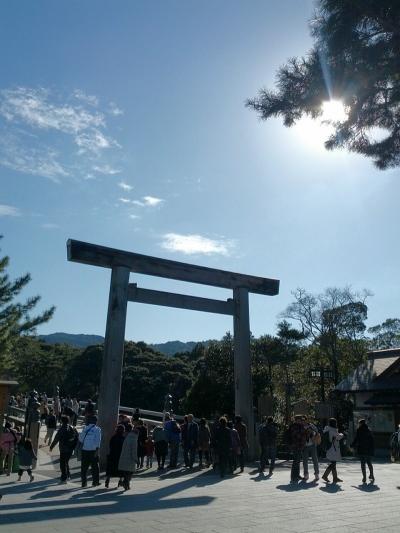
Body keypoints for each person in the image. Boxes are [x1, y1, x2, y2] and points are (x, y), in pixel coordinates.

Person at [50, 415, 78, 483]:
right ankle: (68, 475)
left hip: (63, 448)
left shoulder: (62, 429)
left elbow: (56, 439)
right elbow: (77, 436)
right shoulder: (72, 428)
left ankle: (64, 478)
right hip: (71, 448)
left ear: (62, 421)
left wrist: (51, 446)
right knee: (66, 462)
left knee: (63, 464)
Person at [79, 415, 101, 488]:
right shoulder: (97, 429)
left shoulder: (85, 428)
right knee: (95, 468)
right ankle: (95, 482)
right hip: (93, 451)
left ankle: (84, 483)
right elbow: (98, 441)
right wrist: (97, 451)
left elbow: (81, 439)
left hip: (85, 450)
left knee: (84, 468)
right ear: (96, 421)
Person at [351, 419, 375, 483]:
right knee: (369, 462)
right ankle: (371, 475)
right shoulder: (369, 430)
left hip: (361, 449)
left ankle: (364, 477)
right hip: (369, 449)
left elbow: (356, 439)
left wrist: (352, 445)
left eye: (359, 423)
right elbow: (372, 440)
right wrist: (372, 449)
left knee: (363, 464)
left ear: (361, 424)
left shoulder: (359, 430)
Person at [321, 417, 344, 483]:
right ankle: (326, 476)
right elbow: (338, 437)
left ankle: (335, 477)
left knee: (333, 464)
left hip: (330, 449)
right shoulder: (332, 430)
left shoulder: (328, 429)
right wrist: (341, 434)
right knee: (333, 464)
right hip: (333, 449)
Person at [118, 423, 138, 491]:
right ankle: (125, 484)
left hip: (124, 457)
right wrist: (136, 459)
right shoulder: (134, 439)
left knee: (126, 473)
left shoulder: (127, 437)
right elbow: (134, 451)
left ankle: (126, 485)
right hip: (130, 459)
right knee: (130, 473)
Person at [288, 415, 307, 483]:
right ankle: (293, 476)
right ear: (296, 420)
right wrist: (303, 433)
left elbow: (304, 434)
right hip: (295, 446)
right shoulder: (294, 426)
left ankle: (297, 475)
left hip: (300, 446)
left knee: (298, 461)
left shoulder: (301, 426)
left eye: (301, 419)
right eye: (300, 419)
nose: (301, 420)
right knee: (295, 461)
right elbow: (296, 435)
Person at [302, 416, 320, 481]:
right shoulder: (300, 427)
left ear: (307, 420)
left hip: (312, 445)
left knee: (315, 460)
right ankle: (306, 475)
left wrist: (312, 432)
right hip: (304, 446)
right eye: (302, 420)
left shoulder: (311, 426)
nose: (303, 421)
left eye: (304, 419)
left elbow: (317, 432)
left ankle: (317, 474)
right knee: (305, 461)